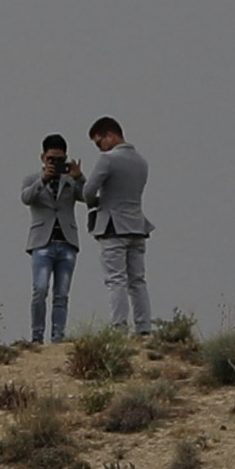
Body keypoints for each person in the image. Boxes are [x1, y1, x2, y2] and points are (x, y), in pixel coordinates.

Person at [80, 116, 149, 332]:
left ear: (110, 136)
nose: (100, 148)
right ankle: (144, 327)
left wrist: (94, 202)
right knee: (137, 281)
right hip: (137, 226)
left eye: (99, 142)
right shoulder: (141, 161)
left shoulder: (108, 160)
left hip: (113, 227)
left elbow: (88, 191)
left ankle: (119, 327)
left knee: (115, 280)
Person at [19, 134, 86, 343]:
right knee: (39, 290)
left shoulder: (70, 181)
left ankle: (58, 337)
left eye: (59, 159)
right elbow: (26, 198)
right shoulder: (32, 179)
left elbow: (88, 197)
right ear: (42, 158)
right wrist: (43, 180)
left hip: (66, 243)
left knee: (62, 295)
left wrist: (79, 177)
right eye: (51, 159)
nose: (55, 164)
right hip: (42, 243)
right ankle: (37, 336)